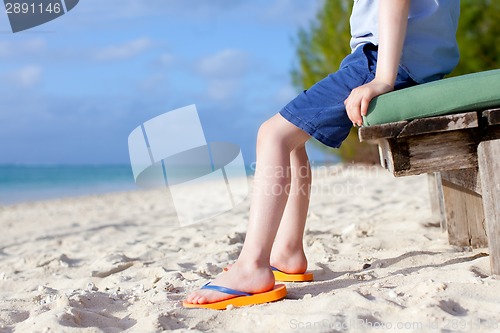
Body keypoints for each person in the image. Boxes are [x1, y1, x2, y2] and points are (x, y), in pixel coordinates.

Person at [184, 0, 460, 308]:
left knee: (272, 135)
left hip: (384, 61)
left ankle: (252, 265)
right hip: (416, 62)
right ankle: (287, 252)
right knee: (292, 139)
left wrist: (382, 78)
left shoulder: (382, 65)